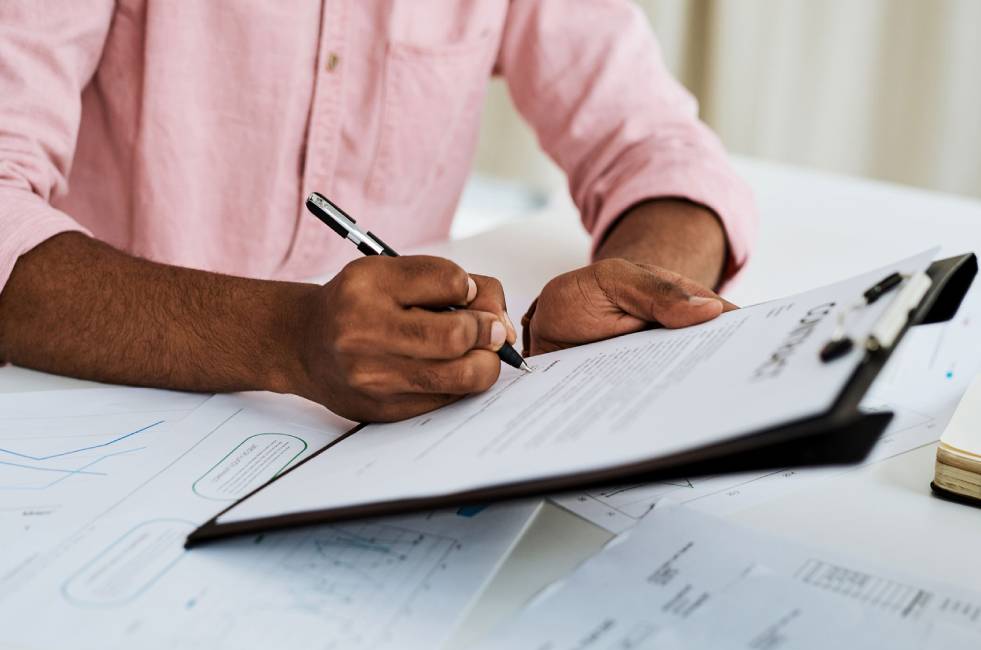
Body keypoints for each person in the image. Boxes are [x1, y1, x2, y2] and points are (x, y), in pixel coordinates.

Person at [0, 1, 755, 422]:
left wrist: (645, 287)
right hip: (98, 417)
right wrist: (285, 336)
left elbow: (657, 147)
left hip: (399, 441)